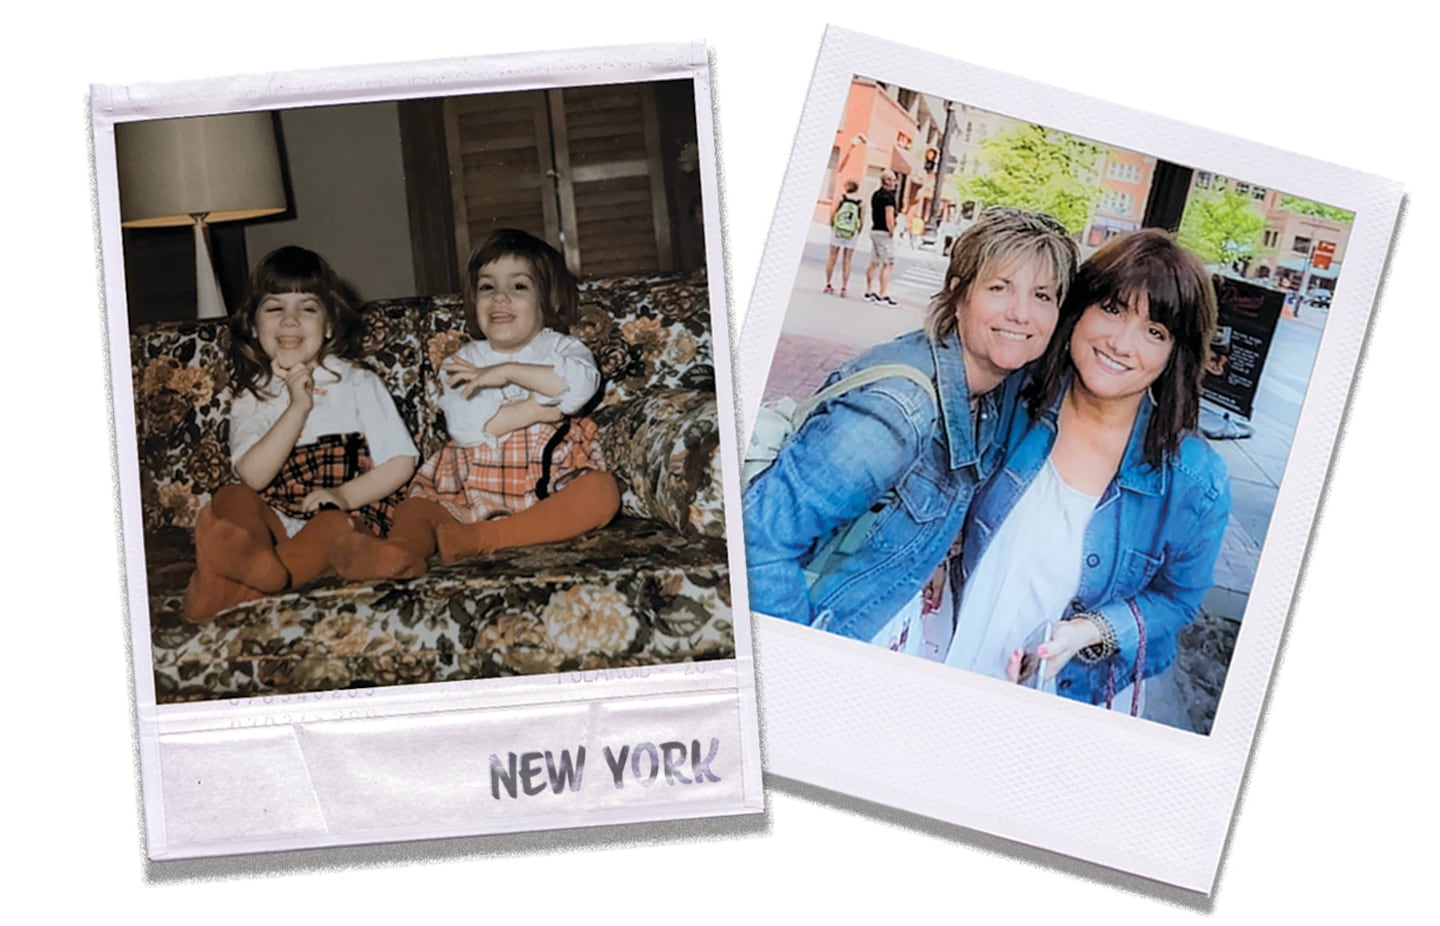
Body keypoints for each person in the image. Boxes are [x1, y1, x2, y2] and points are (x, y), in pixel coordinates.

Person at [743, 207, 1079, 642]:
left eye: (1043, 295)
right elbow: (758, 539)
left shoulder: (988, 391)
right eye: (1000, 288)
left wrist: (933, 554)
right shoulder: (897, 414)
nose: (1021, 313)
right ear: (959, 296)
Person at [944, 229, 1231, 711]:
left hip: (1064, 697)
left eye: (1154, 331)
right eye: (1113, 309)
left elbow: (1177, 601)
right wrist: (937, 549)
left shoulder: (1194, 481)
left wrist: (1089, 632)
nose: (1121, 342)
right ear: (1079, 311)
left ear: (1172, 357)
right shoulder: (1014, 397)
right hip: (949, 646)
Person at [333, 228, 620, 580]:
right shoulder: (463, 359)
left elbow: (578, 390)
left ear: (548, 300)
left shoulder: (563, 349)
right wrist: (536, 410)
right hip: (468, 488)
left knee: (601, 492)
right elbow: (467, 430)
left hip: (550, 484)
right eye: (487, 287)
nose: (499, 298)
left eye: (518, 286)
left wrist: (507, 372)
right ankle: (398, 552)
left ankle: (482, 539)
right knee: (416, 510)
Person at [183, 246, 420, 621]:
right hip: (276, 520)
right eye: (274, 308)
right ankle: (249, 559)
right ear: (254, 325)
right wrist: (297, 406)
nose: (290, 321)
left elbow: (402, 460)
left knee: (329, 527)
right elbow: (255, 475)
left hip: (344, 513)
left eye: (307, 308)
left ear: (328, 326)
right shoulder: (253, 396)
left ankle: (233, 586)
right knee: (232, 496)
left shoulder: (357, 382)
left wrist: (341, 496)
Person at [863, 170, 900, 306]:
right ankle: (882, 294)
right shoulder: (888, 197)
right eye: (894, 180)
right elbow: (889, 215)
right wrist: (891, 229)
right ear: (888, 181)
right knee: (888, 263)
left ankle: (868, 290)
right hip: (884, 232)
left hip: (875, 230)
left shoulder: (876, 194)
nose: (895, 183)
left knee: (874, 261)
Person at [824, 179, 864, 297]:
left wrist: (833, 225)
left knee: (832, 257)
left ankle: (828, 284)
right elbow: (861, 220)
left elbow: (833, 212)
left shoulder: (841, 198)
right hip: (851, 233)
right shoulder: (860, 202)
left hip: (838, 230)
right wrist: (858, 231)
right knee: (847, 260)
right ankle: (844, 288)